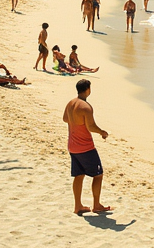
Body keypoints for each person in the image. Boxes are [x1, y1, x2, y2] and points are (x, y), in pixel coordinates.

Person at [63, 79, 110, 214]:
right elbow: (90, 126)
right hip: (85, 147)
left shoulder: (71, 103)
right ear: (88, 89)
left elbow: (65, 119)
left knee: (79, 175)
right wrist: (102, 132)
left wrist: (75, 123)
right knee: (98, 175)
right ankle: (96, 205)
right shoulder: (85, 107)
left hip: (72, 146)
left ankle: (78, 206)